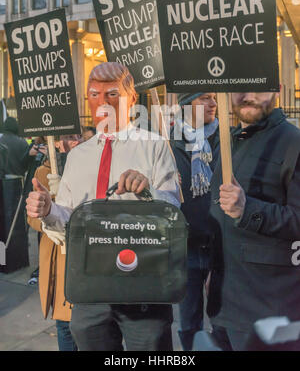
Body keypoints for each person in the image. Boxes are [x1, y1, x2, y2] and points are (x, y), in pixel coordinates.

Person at [26, 62, 180, 351]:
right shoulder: (78, 156)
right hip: (90, 287)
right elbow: (70, 221)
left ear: (132, 97)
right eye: (94, 94)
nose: (102, 103)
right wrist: (49, 211)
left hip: (143, 283)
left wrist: (148, 192)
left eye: (112, 94)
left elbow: (174, 213)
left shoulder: (155, 146)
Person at [208, 92, 300, 351]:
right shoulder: (229, 142)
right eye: (239, 87)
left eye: (256, 85)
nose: (247, 96)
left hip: (268, 309)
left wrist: (248, 209)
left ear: (277, 89)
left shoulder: (294, 143)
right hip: (222, 306)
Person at [170, 92, 218, 351]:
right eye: (204, 99)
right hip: (185, 248)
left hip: (219, 247)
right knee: (188, 324)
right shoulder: (169, 143)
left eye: (214, 97)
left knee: (222, 322)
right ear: (186, 106)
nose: (213, 103)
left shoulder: (228, 140)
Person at [27, 135, 80, 351]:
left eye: (77, 136)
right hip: (59, 256)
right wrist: (50, 211)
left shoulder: (90, 165)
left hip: (87, 254)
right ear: (56, 143)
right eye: (68, 138)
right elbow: (32, 218)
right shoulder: (43, 171)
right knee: (65, 323)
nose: (75, 141)